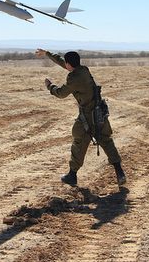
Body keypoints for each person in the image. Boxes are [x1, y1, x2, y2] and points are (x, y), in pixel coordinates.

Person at [35, 48, 126, 186]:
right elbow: (64, 63)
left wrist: (50, 86)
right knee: (106, 141)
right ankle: (120, 173)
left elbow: (61, 93)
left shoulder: (74, 78)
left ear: (69, 64)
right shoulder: (83, 70)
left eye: (66, 64)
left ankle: (72, 175)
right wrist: (47, 54)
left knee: (79, 141)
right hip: (99, 112)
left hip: (88, 116)